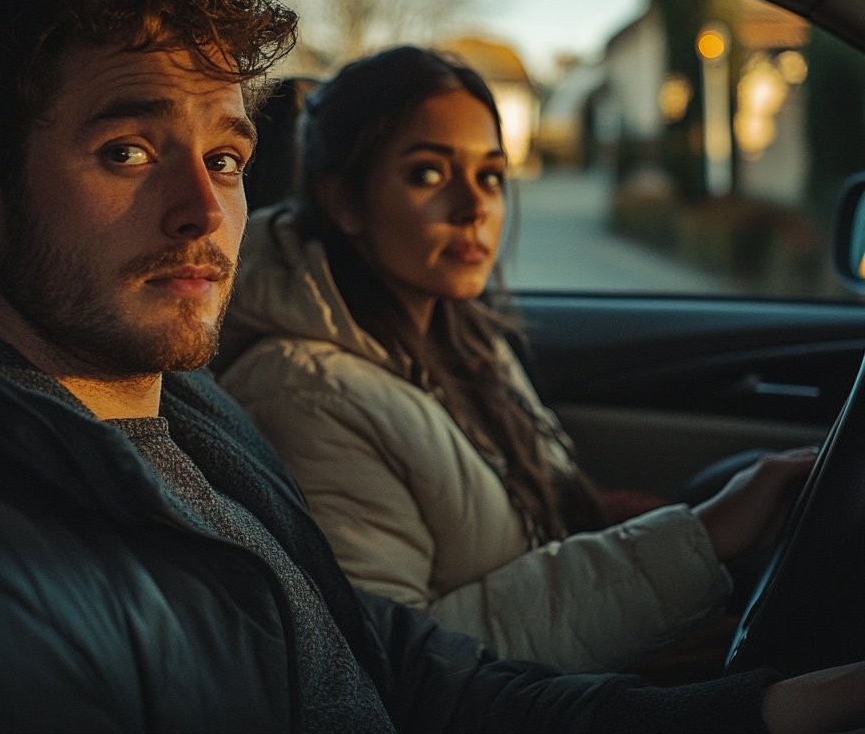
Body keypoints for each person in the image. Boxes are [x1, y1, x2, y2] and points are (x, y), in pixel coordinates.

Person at [0, 0, 862, 734]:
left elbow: (408, 676)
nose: (202, 210)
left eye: (228, 159)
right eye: (125, 150)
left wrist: (763, 711)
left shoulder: (197, 419)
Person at [216, 46, 810, 673]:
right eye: (428, 173)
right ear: (344, 203)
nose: (475, 208)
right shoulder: (303, 393)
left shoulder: (464, 338)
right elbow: (405, 665)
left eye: (491, 176)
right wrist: (703, 538)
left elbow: (536, 528)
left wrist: (666, 536)